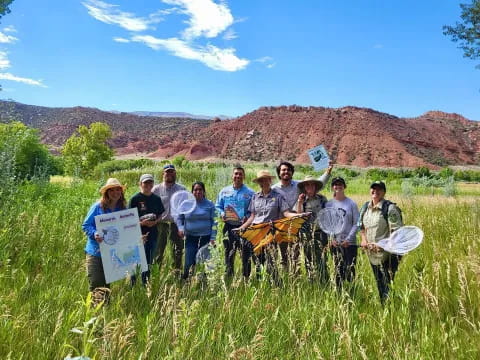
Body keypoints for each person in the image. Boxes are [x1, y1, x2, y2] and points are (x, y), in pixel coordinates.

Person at [237, 170, 301, 282]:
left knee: (270, 260)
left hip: (270, 232)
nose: (264, 182)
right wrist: (242, 227)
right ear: (259, 183)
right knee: (256, 260)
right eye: (261, 180)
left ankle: (277, 284)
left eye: (266, 179)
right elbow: (252, 216)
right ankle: (259, 283)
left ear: (270, 180)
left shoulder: (278, 197)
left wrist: (299, 215)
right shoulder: (255, 197)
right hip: (255, 232)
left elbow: (286, 213)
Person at [272, 161, 333, 272]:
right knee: (283, 256)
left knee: (296, 255)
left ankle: (296, 278)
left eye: (288, 170)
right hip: (282, 226)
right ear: (279, 173)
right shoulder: (274, 189)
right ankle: (286, 279)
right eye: (283, 170)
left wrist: (328, 171)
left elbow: (318, 183)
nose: (286, 172)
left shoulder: (298, 185)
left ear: (292, 172)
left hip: (298, 226)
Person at [82, 178, 126, 303]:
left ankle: (105, 315)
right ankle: (94, 316)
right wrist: (94, 233)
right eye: (111, 190)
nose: (115, 192)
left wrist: (135, 239)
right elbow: (86, 225)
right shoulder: (97, 207)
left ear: (121, 192)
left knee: (106, 286)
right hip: (95, 252)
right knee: (96, 285)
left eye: (118, 189)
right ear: (106, 192)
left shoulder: (122, 208)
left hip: (112, 253)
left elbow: (124, 230)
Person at [358, 180, 403, 304]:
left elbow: (397, 233)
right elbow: (361, 226)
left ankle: (389, 308)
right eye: (373, 188)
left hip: (388, 256)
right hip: (372, 255)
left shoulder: (390, 208)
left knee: (387, 284)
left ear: (384, 192)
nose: (375, 191)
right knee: (379, 282)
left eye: (379, 189)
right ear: (370, 190)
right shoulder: (365, 207)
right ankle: (385, 305)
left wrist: (383, 246)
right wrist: (363, 240)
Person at [215, 165, 255, 278]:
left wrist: (247, 217)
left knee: (245, 255)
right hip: (229, 227)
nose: (238, 176)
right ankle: (229, 277)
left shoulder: (250, 193)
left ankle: (246, 278)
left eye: (240, 174)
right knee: (229, 253)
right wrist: (222, 214)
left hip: (244, 228)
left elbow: (253, 210)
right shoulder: (224, 191)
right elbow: (218, 206)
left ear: (244, 176)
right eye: (236, 174)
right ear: (232, 176)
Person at [174, 181, 217, 279]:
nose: (198, 192)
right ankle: (187, 284)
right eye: (195, 190)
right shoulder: (185, 204)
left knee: (204, 264)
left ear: (204, 191)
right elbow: (179, 218)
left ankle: (203, 285)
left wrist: (213, 237)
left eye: (200, 189)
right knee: (189, 263)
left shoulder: (209, 204)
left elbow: (215, 222)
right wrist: (180, 228)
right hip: (190, 238)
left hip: (206, 239)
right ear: (192, 192)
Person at [128, 174, 164, 286]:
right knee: (135, 262)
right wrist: (140, 223)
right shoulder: (134, 199)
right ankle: (132, 286)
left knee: (148, 262)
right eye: (145, 183)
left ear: (153, 184)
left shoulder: (157, 199)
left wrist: (155, 222)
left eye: (150, 182)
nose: (148, 185)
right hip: (136, 236)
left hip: (152, 234)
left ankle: (145, 285)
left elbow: (160, 215)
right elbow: (128, 220)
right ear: (140, 184)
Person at [325, 177, 359, 291]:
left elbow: (356, 224)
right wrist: (331, 238)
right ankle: (339, 294)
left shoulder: (351, 204)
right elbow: (327, 224)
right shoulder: (329, 204)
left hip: (349, 244)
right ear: (332, 187)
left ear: (344, 186)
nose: (337, 186)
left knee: (350, 270)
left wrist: (348, 239)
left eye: (340, 184)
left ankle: (351, 292)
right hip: (335, 244)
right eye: (335, 184)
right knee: (337, 270)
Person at [152, 164, 186, 275]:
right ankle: (156, 275)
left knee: (177, 251)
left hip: (176, 225)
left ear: (175, 174)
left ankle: (176, 275)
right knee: (158, 251)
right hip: (161, 224)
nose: (169, 174)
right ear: (163, 174)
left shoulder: (182, 189)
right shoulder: (156, 189)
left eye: (172, 172)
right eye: (167, 172)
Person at [295, 176, 329, 282]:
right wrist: (300, 203)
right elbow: (299, 216)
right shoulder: (302, 200)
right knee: (308, 257)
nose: (309, 186)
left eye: (312, 184)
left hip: (321, 232)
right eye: (307, 185)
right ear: (304, 187)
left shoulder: (322, 199)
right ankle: (312, 280)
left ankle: (324, 280)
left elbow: (328, 214)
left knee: (322, 258)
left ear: (315, 186)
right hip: (307, 233)